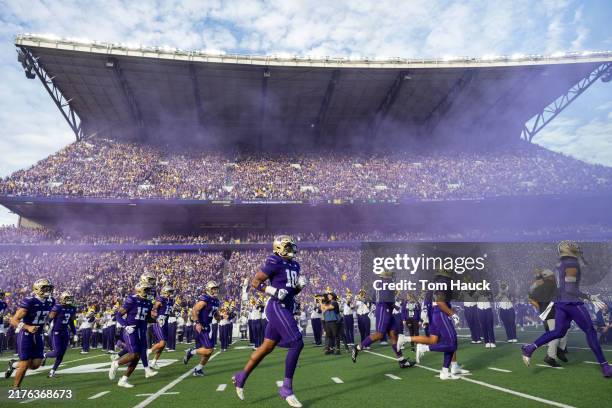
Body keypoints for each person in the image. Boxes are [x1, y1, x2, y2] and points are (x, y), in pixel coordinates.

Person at [232, 235, 307, 408]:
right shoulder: (274, 260)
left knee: (267, 347)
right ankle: (286, 389)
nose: (290, 249)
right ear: (278, 248)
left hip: (286, 306)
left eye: (291, 246)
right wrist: (272, 290)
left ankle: (241, 376)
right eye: (287, 246)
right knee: (297, 342)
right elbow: (256, 282)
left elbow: (289, 292)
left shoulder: (295, 264)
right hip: (276, 306)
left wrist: (298, 288)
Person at [521, 241, 612, 377]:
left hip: (561, 302)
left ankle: (530, 348)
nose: (577, 248)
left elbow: (565, 287)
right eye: (573, 246)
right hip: (571, 303)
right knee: (590, 331)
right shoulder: (571, 264)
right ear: (568, 249)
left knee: (558, 331)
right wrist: (588, 297)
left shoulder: (561, 264)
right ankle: (605, 367)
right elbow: (570, 289)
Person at [397, 269, 469, 380]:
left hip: (436, 314)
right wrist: (452, 314)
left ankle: (446, 371)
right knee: (451, 343)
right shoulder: (443, 282)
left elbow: (436, 301)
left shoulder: (436, 283)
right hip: (440, 314)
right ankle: (424, 348)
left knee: (443, 340)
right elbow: (440, 302)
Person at [351, 271, 414, 369]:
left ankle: (402, 361)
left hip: (385, 309)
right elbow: (387, 299)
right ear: (388, 277)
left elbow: (373, 299)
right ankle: (358, 347)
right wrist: (388, 306)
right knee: (380, 334)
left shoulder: (379, 284)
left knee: (393, 335)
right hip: (384, 310)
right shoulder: (388, 283)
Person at [5, 279, 55, 388]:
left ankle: (13, 364)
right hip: (26, 335)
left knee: (36, 364)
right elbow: (13, 320)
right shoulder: (30, 301)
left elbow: (47, 315)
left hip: (38, 334)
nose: (48, 290)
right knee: (24, 364)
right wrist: (28, 327)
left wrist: (47, 323)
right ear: (37, 289)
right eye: (45, 288)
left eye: (49, 288)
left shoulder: (51, 301)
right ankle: (16, 389)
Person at [108, 282, 157, 388]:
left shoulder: (148, 302)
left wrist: (157, 319)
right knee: (134, 354)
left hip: (142, 330)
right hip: (131, 330)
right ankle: (116, 363)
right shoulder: (132, 300)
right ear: (139, 290)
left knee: (137, 357)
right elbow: (118, 315)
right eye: (146, 290)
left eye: (148, 290)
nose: (148, 292)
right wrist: (126, 326)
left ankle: (123, 380)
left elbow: (147, 318)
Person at [528, 268, 568, 367]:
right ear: (550, 277)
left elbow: (531, 299)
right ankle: (551, 356)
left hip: (551, 313)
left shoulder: (540, 287)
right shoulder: (550, 285)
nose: (554, 277)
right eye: (552, 276)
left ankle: (560, 350)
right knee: (555, 335)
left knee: (564, 331)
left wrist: (540, 308)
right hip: (552, 313)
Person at [183, 281, 221, 376]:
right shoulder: (205, 299)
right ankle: (191, 352)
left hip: (208, 326)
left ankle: (198, 369)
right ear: (209, 289)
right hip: (201, 326)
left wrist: (218, 317)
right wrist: (197, 323)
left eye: (216, 288)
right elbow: (195, 310)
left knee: (207, 351)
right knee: (209, 350)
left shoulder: (216, 300)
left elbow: (214, 312)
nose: (215, 290)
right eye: (213, 289)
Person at [43, 291, 77, 378]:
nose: (70, 300)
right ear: (63, 299)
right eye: (67, 298)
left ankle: (52, 371)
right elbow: (50, 318)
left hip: (65, 333)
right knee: (57, 352)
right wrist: (47, 325)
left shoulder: (72, 308)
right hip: (56, 332)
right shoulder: (58, 307)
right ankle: (44, 355)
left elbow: (71, 322)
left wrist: (75, 333)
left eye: (70, 298)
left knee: (61, 354)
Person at [148, 285, 175, 369]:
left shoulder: (171, 300)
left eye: (171, 292)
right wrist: (156, 316)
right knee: (162, 342)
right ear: (165, 292)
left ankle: (154, 362)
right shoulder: (161, 299)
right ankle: (147, 352)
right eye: (169, 292)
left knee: (162, 345)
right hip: (160, 321)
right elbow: (153, 309)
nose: (171, 293)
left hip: (166, 321)